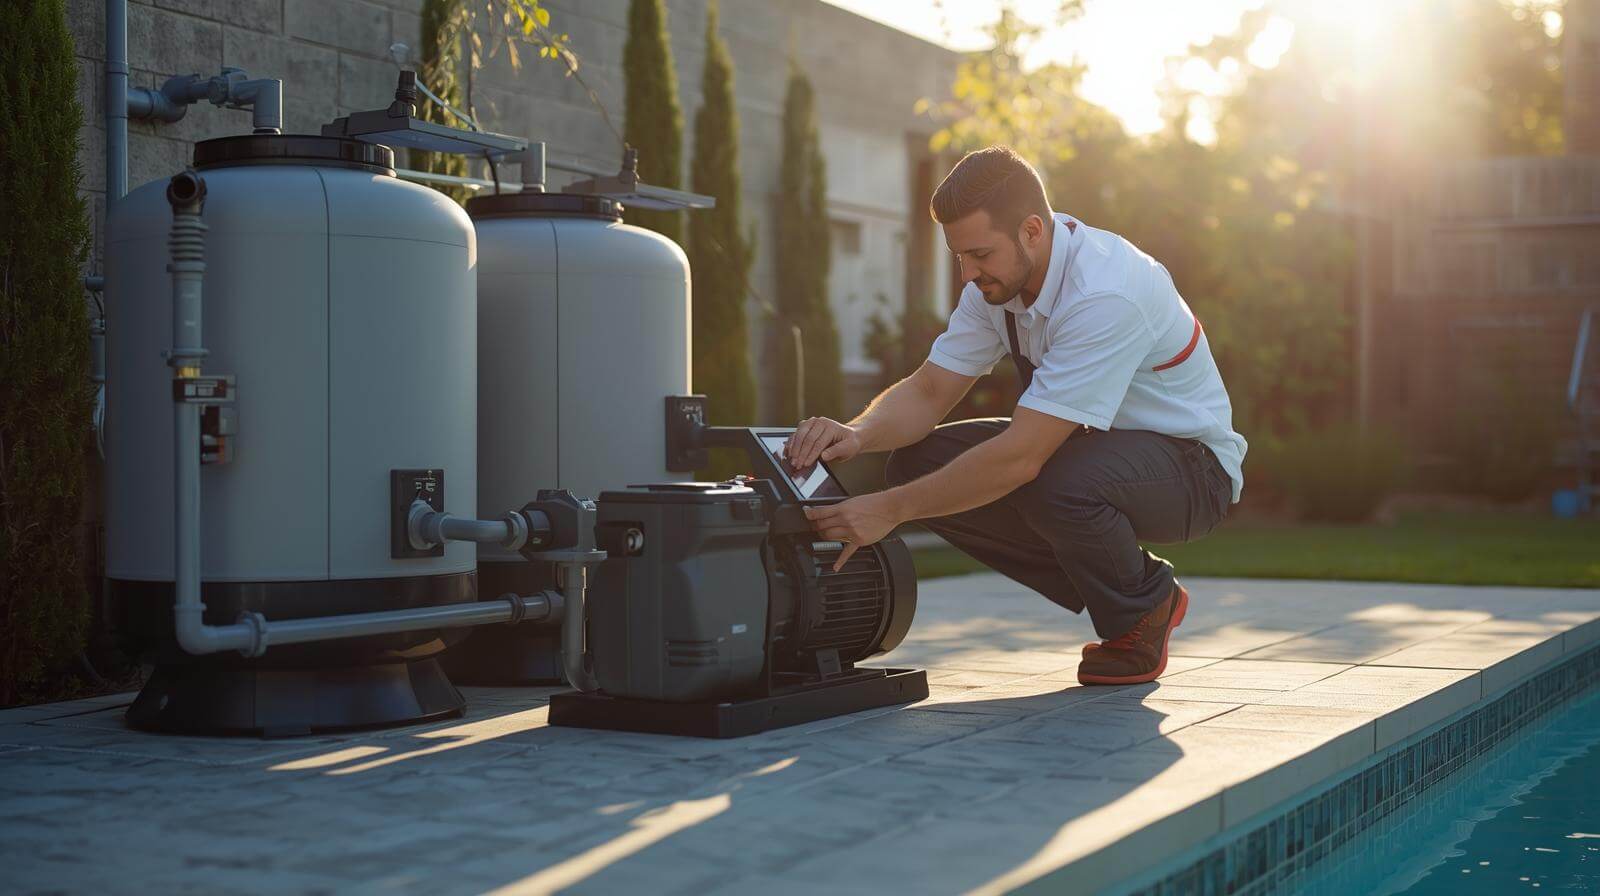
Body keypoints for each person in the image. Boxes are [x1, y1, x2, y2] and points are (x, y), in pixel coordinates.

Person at [786, 145, 1246, 686]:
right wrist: (857, 434)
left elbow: (1024, 457)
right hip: (1095, 454)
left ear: (1032, 230)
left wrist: (890, 512)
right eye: (959, 256)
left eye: (979, 254)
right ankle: (1109, 576)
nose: (967, 272)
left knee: (1049, 478)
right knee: (918, 464)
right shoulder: (996, 285)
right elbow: (931, 390)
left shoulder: (1105, 292)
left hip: (1192, 472)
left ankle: (1142, 608)